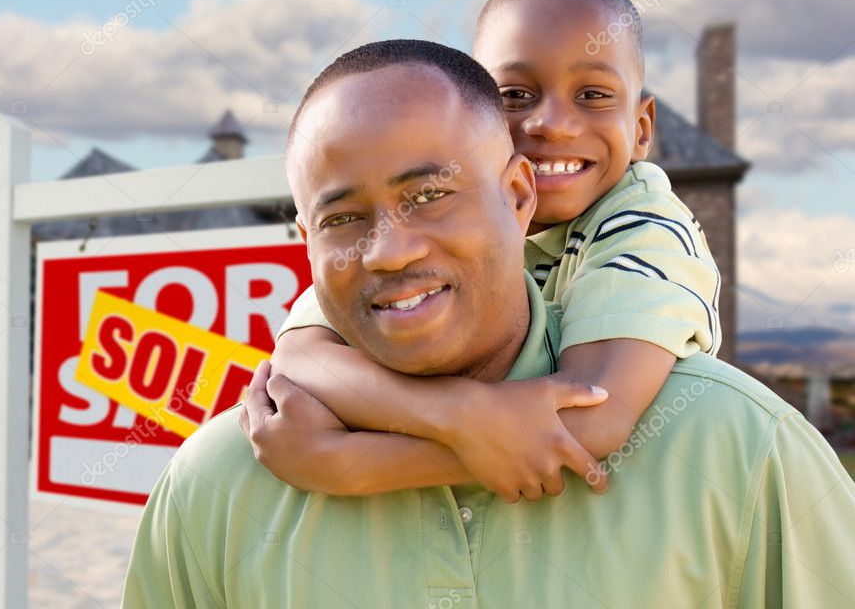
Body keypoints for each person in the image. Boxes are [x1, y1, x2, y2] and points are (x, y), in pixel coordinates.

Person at [122, 39, 855, 608]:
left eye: (429, 195)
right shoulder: (215, 486)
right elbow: (303, 351)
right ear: (305, 244)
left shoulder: (738, 450)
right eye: (342, 219)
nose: (389, 251)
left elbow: (589, 421)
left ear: (517, 194)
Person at [258, 0, 722, 501]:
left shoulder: (647, 228)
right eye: (516, 94)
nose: (551, 124)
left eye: (592, 94)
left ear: (641, 129)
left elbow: (590, 420)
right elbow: (302, 357)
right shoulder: (440, 224)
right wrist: (460, 414)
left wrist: (349, 465)